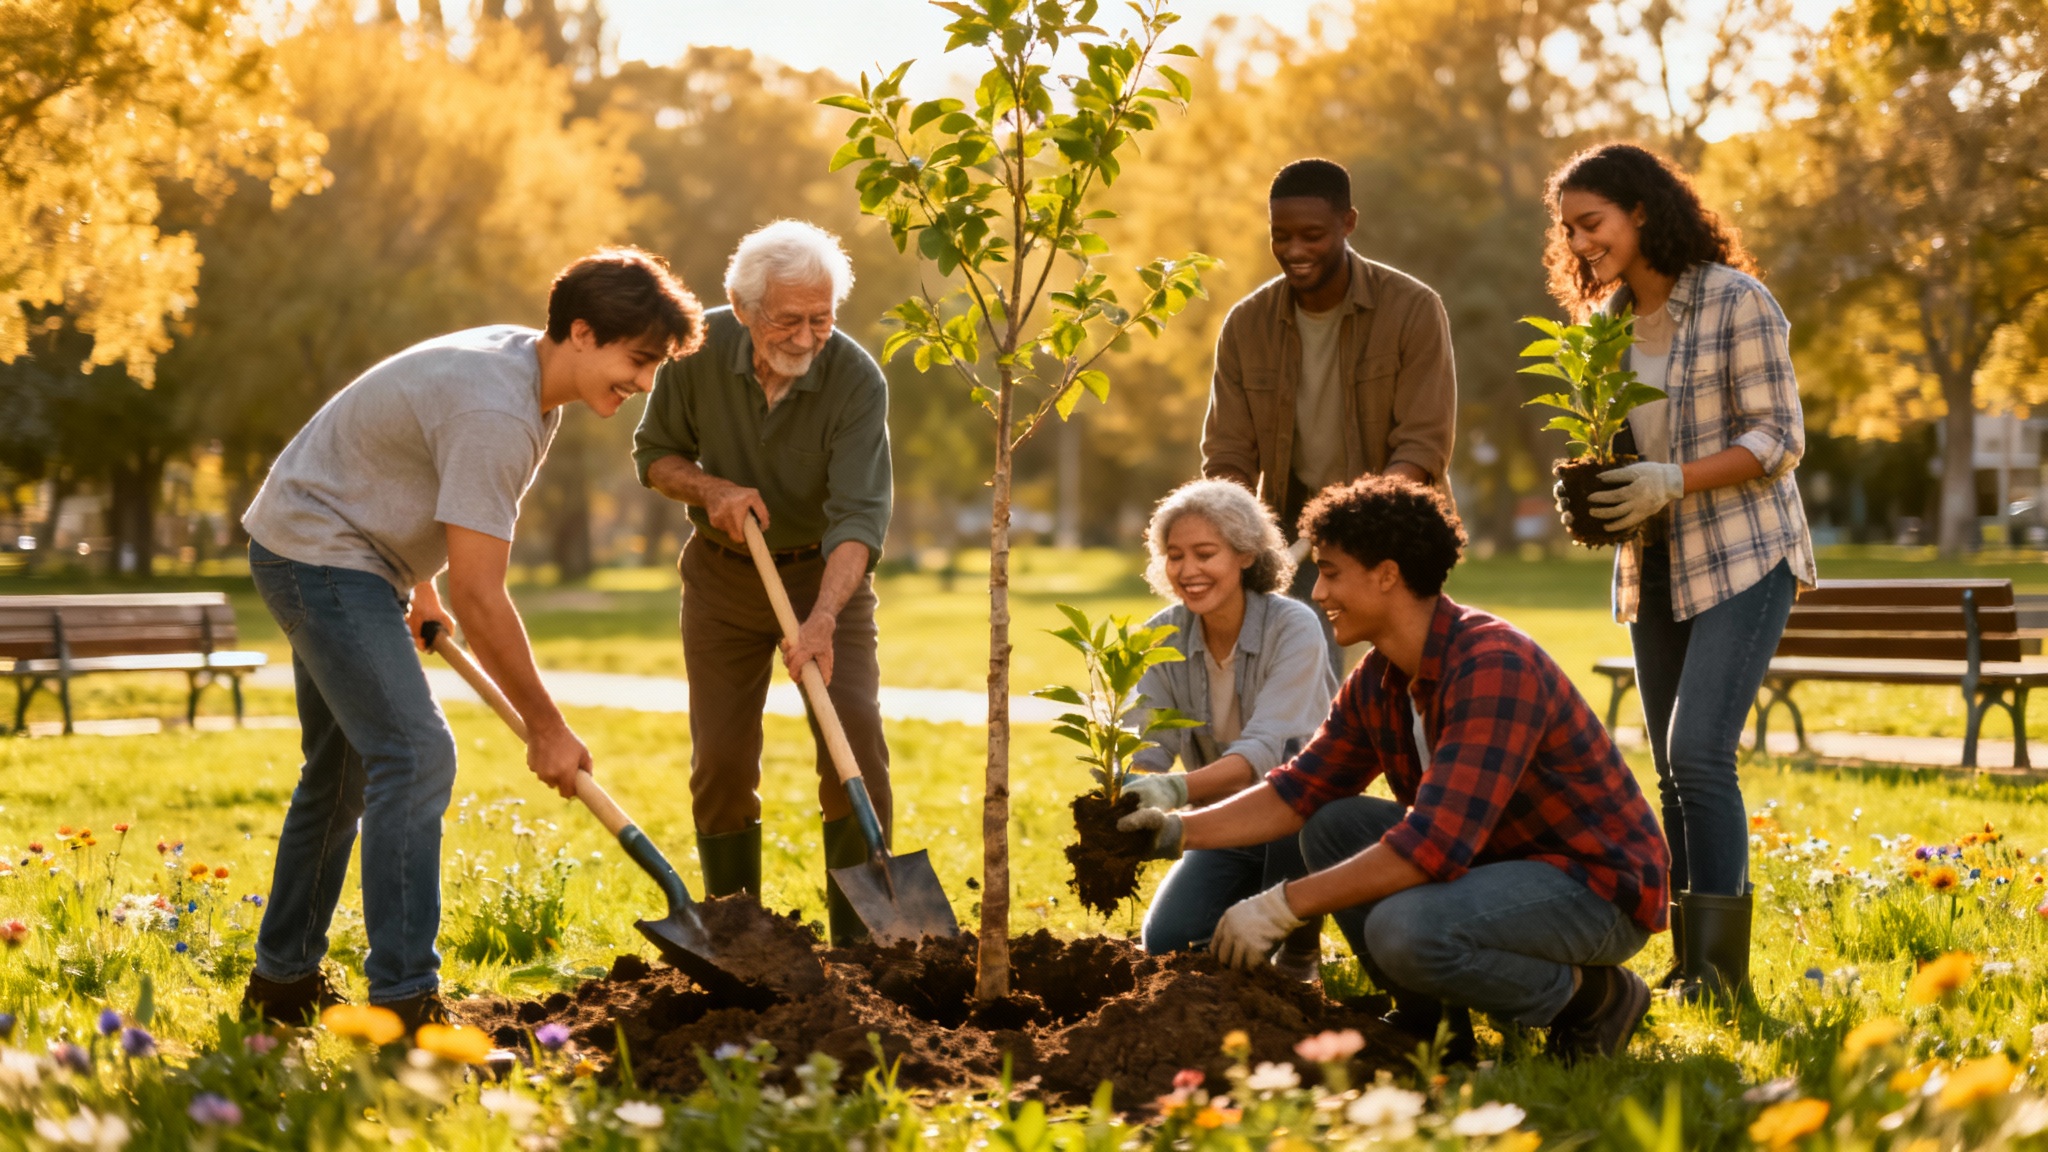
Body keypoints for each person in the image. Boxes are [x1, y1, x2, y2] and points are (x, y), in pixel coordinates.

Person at [239, 249, 704, 1028]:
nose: (644, 383)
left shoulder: (524, 368)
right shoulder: (499, 412)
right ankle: (405, 1002)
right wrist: (548, 730)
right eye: (640, 359)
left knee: (344, 772)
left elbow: (412, 461)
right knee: (416, 756)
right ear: (583, 333)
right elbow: (482, 598)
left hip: (332, 543)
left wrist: (418, 582)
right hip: (321, 554)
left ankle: (281, 986)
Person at [1120, 477, 1671, 1061]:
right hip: (1494, 865)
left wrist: (1281, 904)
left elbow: (1432, 844)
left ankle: (1595, 1000)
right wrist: (1177, 829)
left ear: (1386, 574)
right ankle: (1433, 1032)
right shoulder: (1379, 677)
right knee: (1333, 822)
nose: (1320, 591)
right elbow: (1297, 790)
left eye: (1331, 572)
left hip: (1592, 887)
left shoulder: (1492, 665)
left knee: (1404, 930)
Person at [1545, 142, 1815, 1001]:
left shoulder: (1738, 302)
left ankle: (1720, 975)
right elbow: (1612, 446)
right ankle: (1692, 964)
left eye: (1593, 224)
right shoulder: (1606, 326)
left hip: (1742, 550)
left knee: (1699, 753)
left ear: (1643, 211)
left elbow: (1779, 437)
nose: (1581, 243)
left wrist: (1676, 478)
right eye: (1569, 231)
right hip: (1655, 560)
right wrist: (1590, 490)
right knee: (1667, 766)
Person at [632, 220, 892, 945]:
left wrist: (824, 618)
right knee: (719, 758)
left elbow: (860, 520)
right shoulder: (695, 352)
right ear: (742, 307)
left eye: (823, 318)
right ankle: (736, 933)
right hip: (722, 578)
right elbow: (654, 455)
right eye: (789, 319)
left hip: (823, 579)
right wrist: (709, 487)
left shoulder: (854, 379)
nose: (809, 337)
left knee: (855, 743)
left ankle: (862, 946)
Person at [1201, 157, 1458, 674]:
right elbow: (1228, 455)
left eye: (1312, 235)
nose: (1294, 251)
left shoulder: (1412, 309)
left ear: (1348, 223)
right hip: (1291, 543)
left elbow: (1422, 446)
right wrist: (1238, 540)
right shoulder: (1245, 326)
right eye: (1281, 236)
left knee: (1411, 688)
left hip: (1393, 540)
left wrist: (1354, 527)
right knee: (1306, 689)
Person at [1119, 480, 1338, 976]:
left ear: (1244, 554)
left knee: (1296, 814)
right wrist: (1136, 787)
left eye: (1205, 553)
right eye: (1175, 555)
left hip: (1298, 821)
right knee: (1167, 943)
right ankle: (1240, 917)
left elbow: (1264, 754)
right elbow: (1148, 743)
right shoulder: (1163, 635)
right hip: (1224, 825)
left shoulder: (1293, 627)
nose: (1188, 570)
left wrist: (1171, 790)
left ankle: (1300, 952)